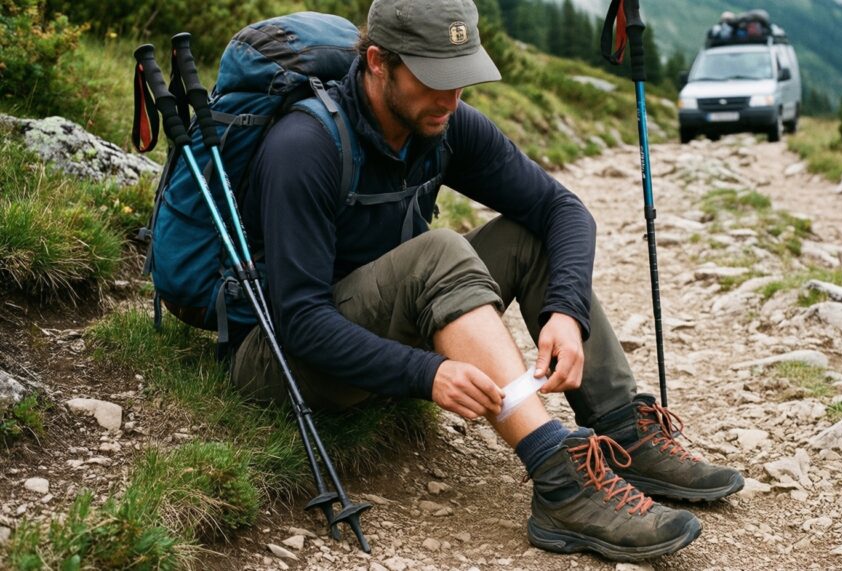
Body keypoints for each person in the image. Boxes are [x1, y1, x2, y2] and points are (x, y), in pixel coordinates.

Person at [231, 0, 744, 561]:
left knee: (528, 233)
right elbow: (300, 322)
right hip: (277, 360)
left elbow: (564, 211)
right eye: (434, 79)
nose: (451, 98)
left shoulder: (442, 123)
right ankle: (560, 480)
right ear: (379, 62)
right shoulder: (304, 146)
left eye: (461, 77)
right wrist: (427, 373)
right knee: (442, 250)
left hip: (374, 327)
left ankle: (622, 430)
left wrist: (566, 312)